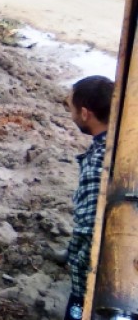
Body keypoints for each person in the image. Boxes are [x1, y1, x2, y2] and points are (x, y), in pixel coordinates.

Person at [62, 75, 113, 320]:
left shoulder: (98, 166)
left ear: (85, 113)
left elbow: (90, 232)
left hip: (96, 284)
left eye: (71, 109)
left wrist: (81, 285)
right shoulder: (119, 145)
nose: (71, 116)